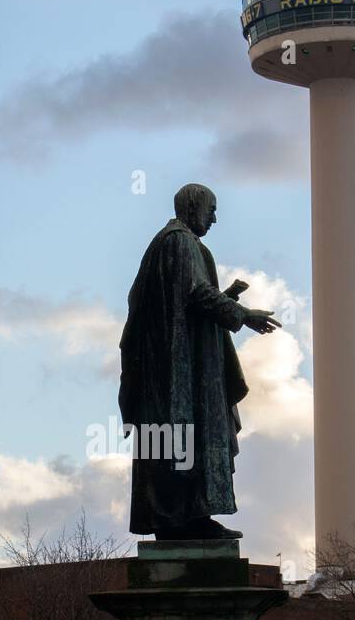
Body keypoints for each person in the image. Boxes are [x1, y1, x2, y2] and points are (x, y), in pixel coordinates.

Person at [118, 183, 280, 539]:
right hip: (178, 373)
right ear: (194, 208)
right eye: (212, 210)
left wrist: (225, 300)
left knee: (172, 440)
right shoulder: (180, 242)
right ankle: (187, 519)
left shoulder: (166, 244)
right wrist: (242, 314)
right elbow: (196, 294)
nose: (216, 218)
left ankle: (181, 520)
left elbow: (182, 302)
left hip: (169, 366)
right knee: (184, 435)